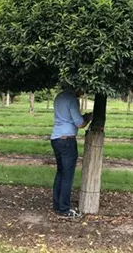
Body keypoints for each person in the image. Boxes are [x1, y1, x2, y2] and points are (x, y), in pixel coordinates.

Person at [50, 88, 92, 218]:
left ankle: (57, 204)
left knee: (60, 172)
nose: (84, 92)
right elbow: (79, 124)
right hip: (67, 140)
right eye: (83, 89)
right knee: (68, 176)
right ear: (77, 87)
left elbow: (68, 118)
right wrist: (88, 118)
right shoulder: (72, 99)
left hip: (56, 138)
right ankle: (64, 209)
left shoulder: (59, 97)